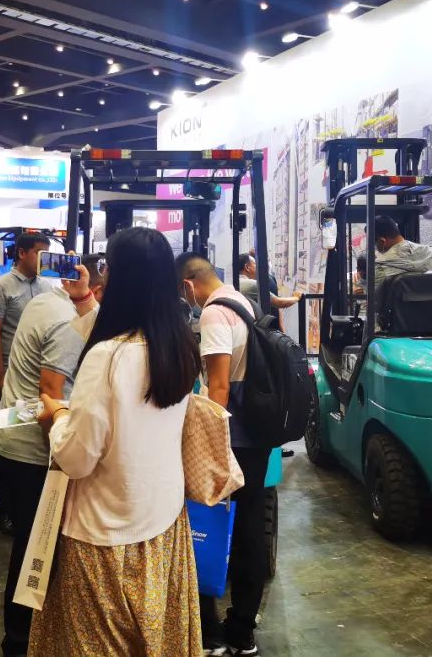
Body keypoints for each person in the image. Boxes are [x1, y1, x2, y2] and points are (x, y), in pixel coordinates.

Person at [32, 227, 202, 657]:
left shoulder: (107, 357)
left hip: (103, 538)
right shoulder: (180, 346)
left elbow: (77, 459)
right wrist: (84, 302)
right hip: (163, 523)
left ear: (120, 278)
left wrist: (57, 417)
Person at [0, 254, 105, 657]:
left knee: (30, 544)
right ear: (96, 288)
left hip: (13, 439)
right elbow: (50, 392)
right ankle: (21, 641)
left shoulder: (44, 299)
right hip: (34, 449)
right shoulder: (66, 321)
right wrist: (64, 453)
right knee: (37, 550)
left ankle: (24, 637)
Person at [178, 252, 266, 657]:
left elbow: (219, 387)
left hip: (234, 436)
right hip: (257, 431)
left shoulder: (213, 314)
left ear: (188, 285)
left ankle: (216, 631)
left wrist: (210, 447)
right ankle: (243, 627)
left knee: (215, 525)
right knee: (251, 524)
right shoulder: (242, 300)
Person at [0, 232, 51, 535]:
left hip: (39, 376)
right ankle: (5, 509)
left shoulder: (47, 288)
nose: (43, 259)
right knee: (10, 438)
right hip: (12, 374)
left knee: (30, 440)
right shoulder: (0, 288)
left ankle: (27, 504)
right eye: (38, 252)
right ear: (22, 253)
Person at [373, 215, 432, 288]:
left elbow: (372, 293)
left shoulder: (380, 268)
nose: (374, 248)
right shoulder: (431, 254)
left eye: (373, 244)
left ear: (382, 241)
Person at [237, 252, 302, 315]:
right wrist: (296, 297)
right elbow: (279, 302)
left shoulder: (236, 283)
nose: (258, 267)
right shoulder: (251, 285)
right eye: (255, 264)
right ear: (247, 267)